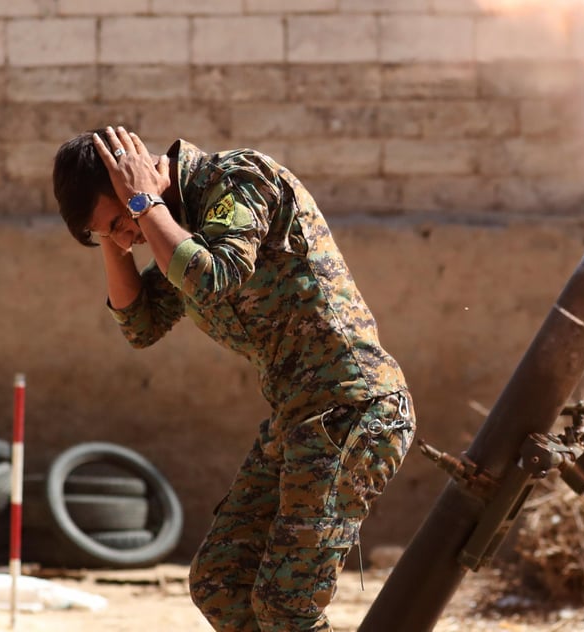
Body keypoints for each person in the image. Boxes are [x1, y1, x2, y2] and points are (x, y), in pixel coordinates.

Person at [51, 126, 415, 631]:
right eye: (106, 232)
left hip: (352, 411)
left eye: (117, 221)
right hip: (297, 421)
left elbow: (214, 274)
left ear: (136, 180)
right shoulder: (167, 228)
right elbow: (141, 325)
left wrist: (139, 203)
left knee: (286, 605)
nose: (123, 236)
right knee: (221, 582)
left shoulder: (236, 178)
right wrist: (121, 232)